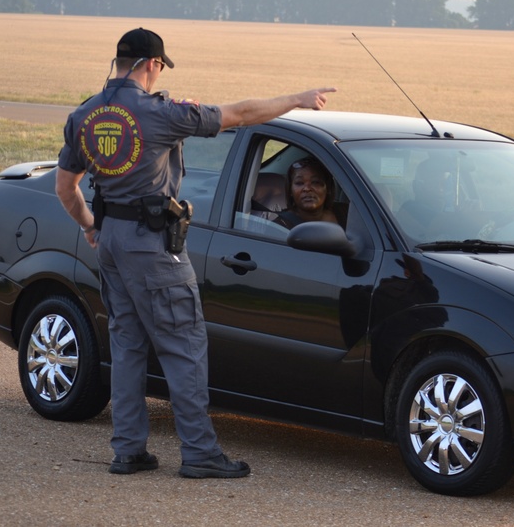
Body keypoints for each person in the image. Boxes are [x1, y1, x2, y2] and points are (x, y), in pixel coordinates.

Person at [55, 27, 335, 479]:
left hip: (111, 241)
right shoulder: (162, 113)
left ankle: (127, 450)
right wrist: (296, 99)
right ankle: (200, 453)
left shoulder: (84, 115)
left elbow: (65, 187)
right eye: (160, 66)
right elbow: (240, 113)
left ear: (120, 62)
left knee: (127, 345)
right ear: (152, 65)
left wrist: (91, 227)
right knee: (182, 345)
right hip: (152, 244)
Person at [276, 157, 339, 229]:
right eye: (299, 183)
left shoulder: (346, 213)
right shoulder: (279, 226)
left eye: (315, 182)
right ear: (290, 190)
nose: (307, 188)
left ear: (328, 189)